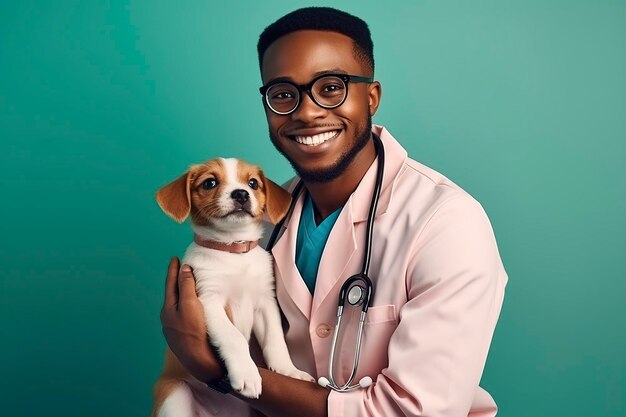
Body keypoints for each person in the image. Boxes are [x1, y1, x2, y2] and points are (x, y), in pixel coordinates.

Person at [160, 7, 507, 417]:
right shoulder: (259, 220)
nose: (306, 112)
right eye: (283, 94)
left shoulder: (447, 224)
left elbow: (414, 412)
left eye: (331, 87)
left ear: (372, 96)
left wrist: (212, 365)